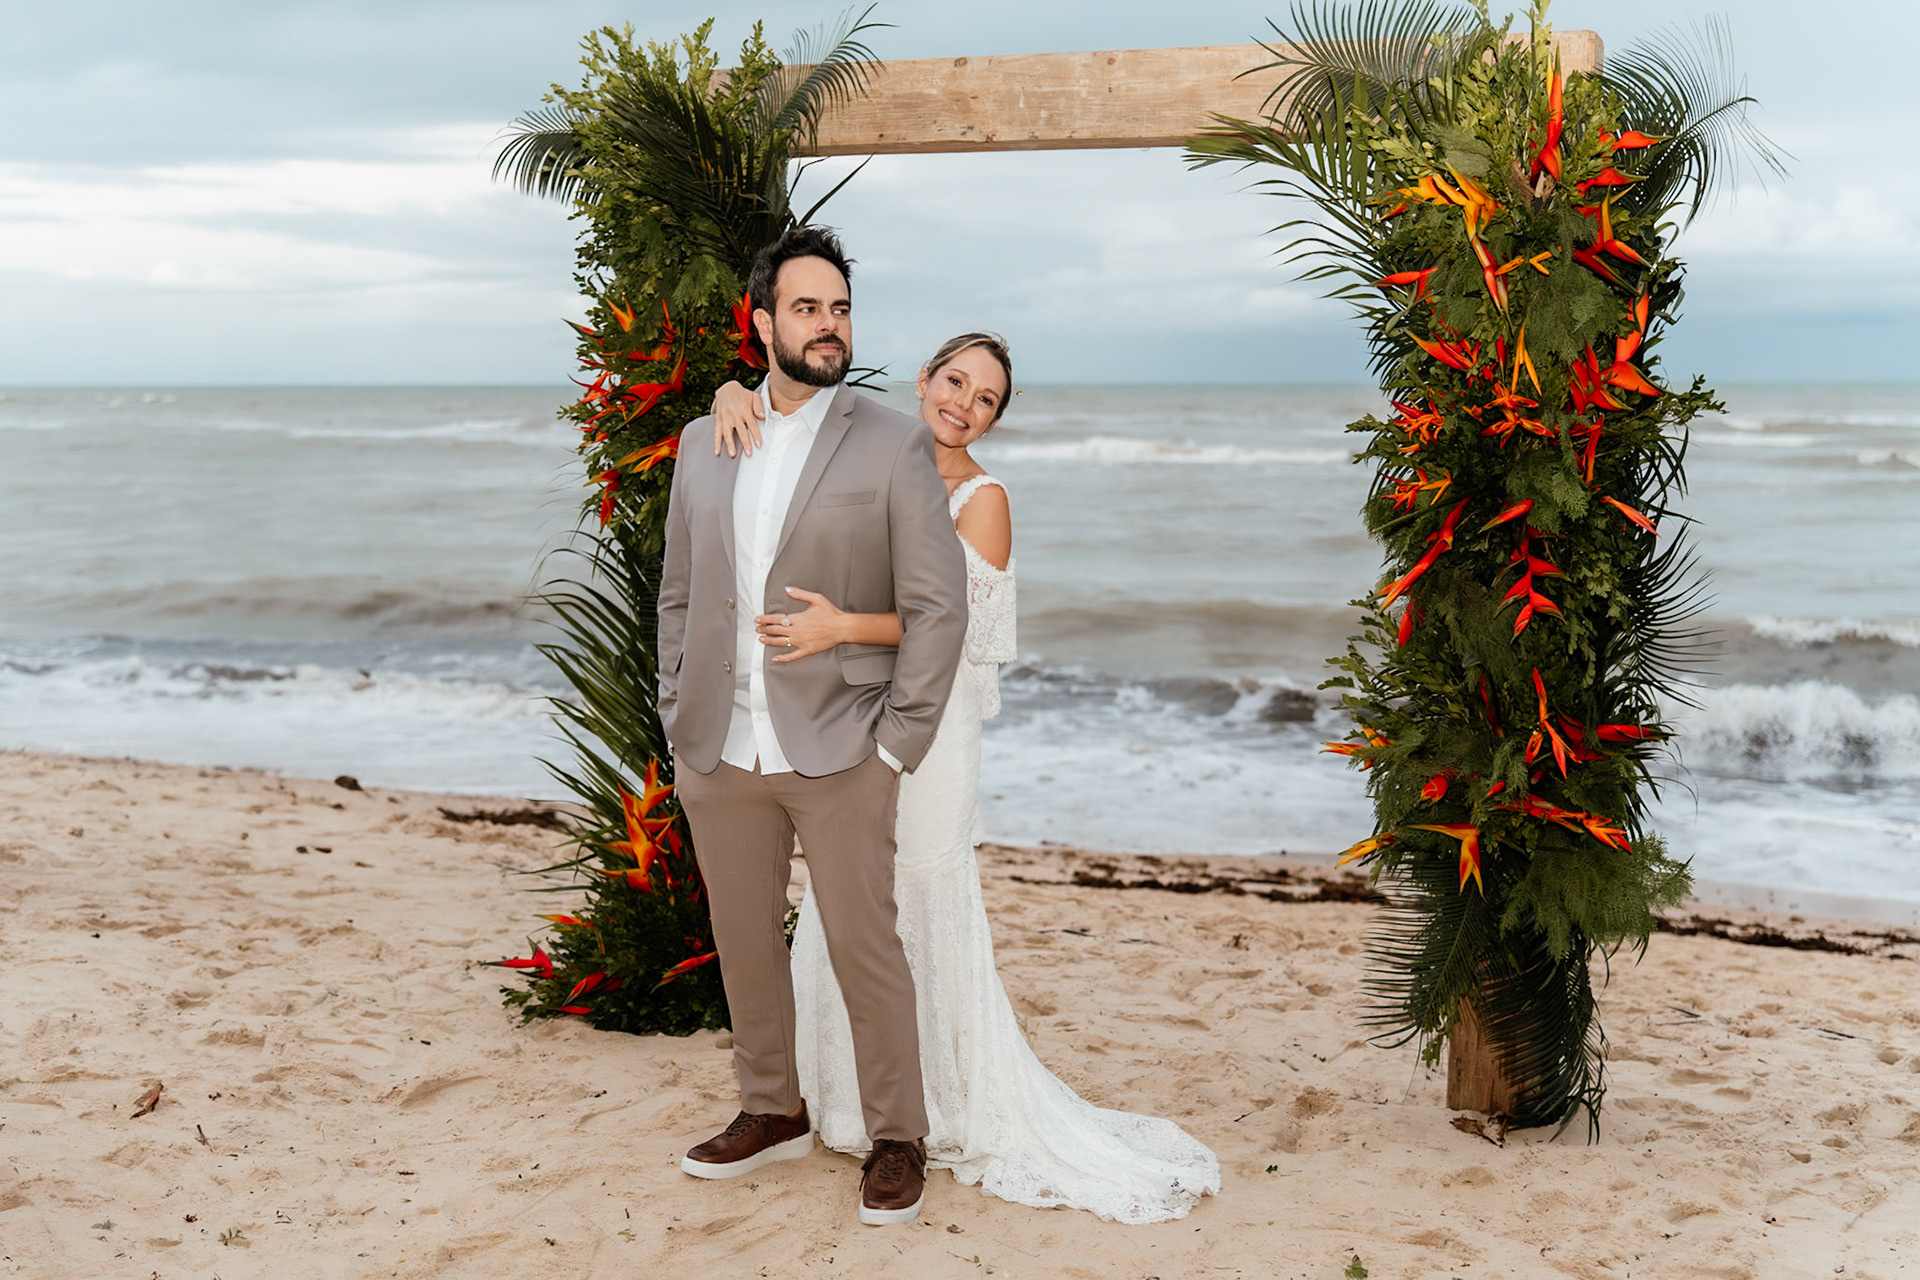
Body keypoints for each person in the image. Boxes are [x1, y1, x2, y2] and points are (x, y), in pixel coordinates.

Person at [708, 334, 1222, 1224]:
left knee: (921, 890)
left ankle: (926, 1117)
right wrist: (728, 391)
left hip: (936, 728)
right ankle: (833, 1105)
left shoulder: (984, 500)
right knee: (847, 898)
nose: (964, 404)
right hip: (849, 714)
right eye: (955, 381)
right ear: (924, 380)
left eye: (985, 398)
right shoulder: (866, 455)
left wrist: (843, 630)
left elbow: (958, 633)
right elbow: (785, 463)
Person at [657, 225, 969, 1228]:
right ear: (762, 324)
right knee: (742, 935)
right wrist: (678, 713)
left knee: (863, 943)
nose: (828, 325)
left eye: (838, 308)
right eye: (806, 307)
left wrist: (896, 744)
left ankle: (896, 1135)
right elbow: (676, 595)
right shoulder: (707, 439)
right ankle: (770, 1105)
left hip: (842, 745)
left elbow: (939, 605)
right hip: (722, 745)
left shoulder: (890, 439)